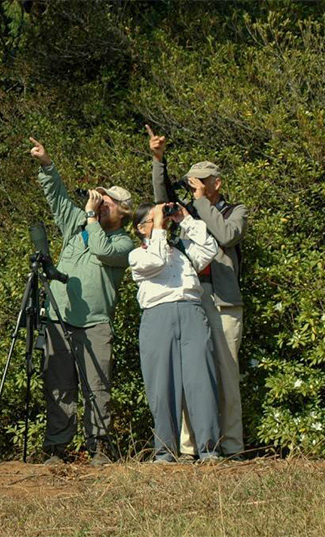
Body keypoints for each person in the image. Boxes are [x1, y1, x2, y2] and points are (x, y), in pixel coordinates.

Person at [28, 137, 134, 466]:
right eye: (101, 199)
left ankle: (99, 446)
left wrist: (90, 217)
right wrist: (48, 164)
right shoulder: (76, 224)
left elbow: (101, 249)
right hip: (59, 318)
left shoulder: (124, 243)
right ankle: (57, 448)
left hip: (95, 324)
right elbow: (57, 197)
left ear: (124, 212)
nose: (102, 203)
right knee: (59, 386)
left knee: (97, 387)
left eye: (109, 202)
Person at [147, 125, 248, 459]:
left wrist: (200, 204)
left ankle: (231, 446)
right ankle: (191, 446)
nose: (195, 187)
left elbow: (226, 236)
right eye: (193, 182)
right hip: (191, 298)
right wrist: (158, 160)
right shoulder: (188, 211)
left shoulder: (235, 211)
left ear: (216, 183)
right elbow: (164, 202)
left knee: (227, 376)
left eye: (201, 181)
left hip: (224, 302)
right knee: (194, 375)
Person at [129, 201, 221, 463]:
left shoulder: (182, 251)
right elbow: (156, 261)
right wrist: (158, 226)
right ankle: (165, 452)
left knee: (201, 381)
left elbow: (209, 248)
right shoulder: (137, 255)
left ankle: (209, 449)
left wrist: (185, 219)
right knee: (161, 385)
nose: (162, 221)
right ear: (140, 228)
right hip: (157, 316)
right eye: (153, 219)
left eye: (162, 218)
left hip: (191, 311)